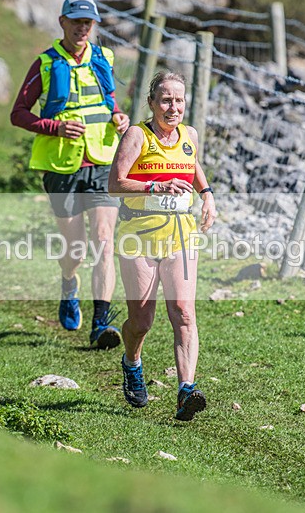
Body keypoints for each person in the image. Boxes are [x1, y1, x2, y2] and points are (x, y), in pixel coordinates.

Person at [10, 0, 130, 349]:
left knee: (105, 242)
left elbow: (107, 101)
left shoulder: (104, 57)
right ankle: (68, 282)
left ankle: (101, 323)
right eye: (76, 21)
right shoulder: (45, 64)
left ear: (94, 26)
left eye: (88, 23)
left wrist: (119, 116)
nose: (82, 28)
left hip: (103, 161)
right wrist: (54, 127)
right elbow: (18, 113)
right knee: (75, 248)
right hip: (62, 166)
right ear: (62, 22)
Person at [108, 72, 216, 421]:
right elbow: (116, 183)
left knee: (184, 312)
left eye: (179, 100)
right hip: (138, 237)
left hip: (181, 236)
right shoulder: (137, 135)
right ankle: (132, 362)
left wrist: (207, 194)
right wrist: (155, 186)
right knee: (142, 320)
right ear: (152, 102)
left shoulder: (190, 135)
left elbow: (191, 162)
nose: (174, 107)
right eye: (166, 100)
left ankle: (186, 391)